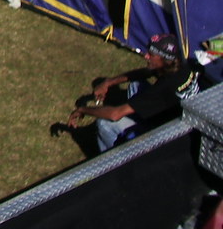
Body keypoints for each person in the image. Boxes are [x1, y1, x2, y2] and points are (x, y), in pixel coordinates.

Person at [67, 33, 200, 152]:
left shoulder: (162, 89)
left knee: (104, 124)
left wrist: (83, 110)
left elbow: (115, 114)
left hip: (166, 134)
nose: (145, 56)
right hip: (175, 114)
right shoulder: (181, 66)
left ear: (165, 59)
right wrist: (108, 82)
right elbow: (144, 73)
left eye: (151, 55)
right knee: (135, 85)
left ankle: (116, 162)